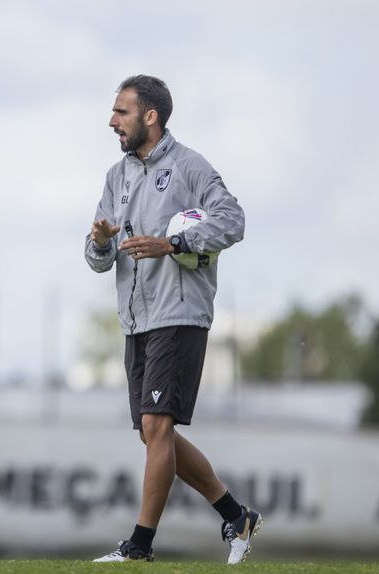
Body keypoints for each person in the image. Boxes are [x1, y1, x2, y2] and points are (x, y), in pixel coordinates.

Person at [84, 75, 260, 564]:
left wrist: (173, 243)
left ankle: (139, 547)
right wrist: (100, 241)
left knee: (157, 429)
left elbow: (233, 220)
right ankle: (235, 514)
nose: (112, 120)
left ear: (150, 116)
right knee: (151, 431)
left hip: (180, 315)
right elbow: (97, 259)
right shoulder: (116, 177)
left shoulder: (189, 166)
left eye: (121, 111)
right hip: (136, 320)